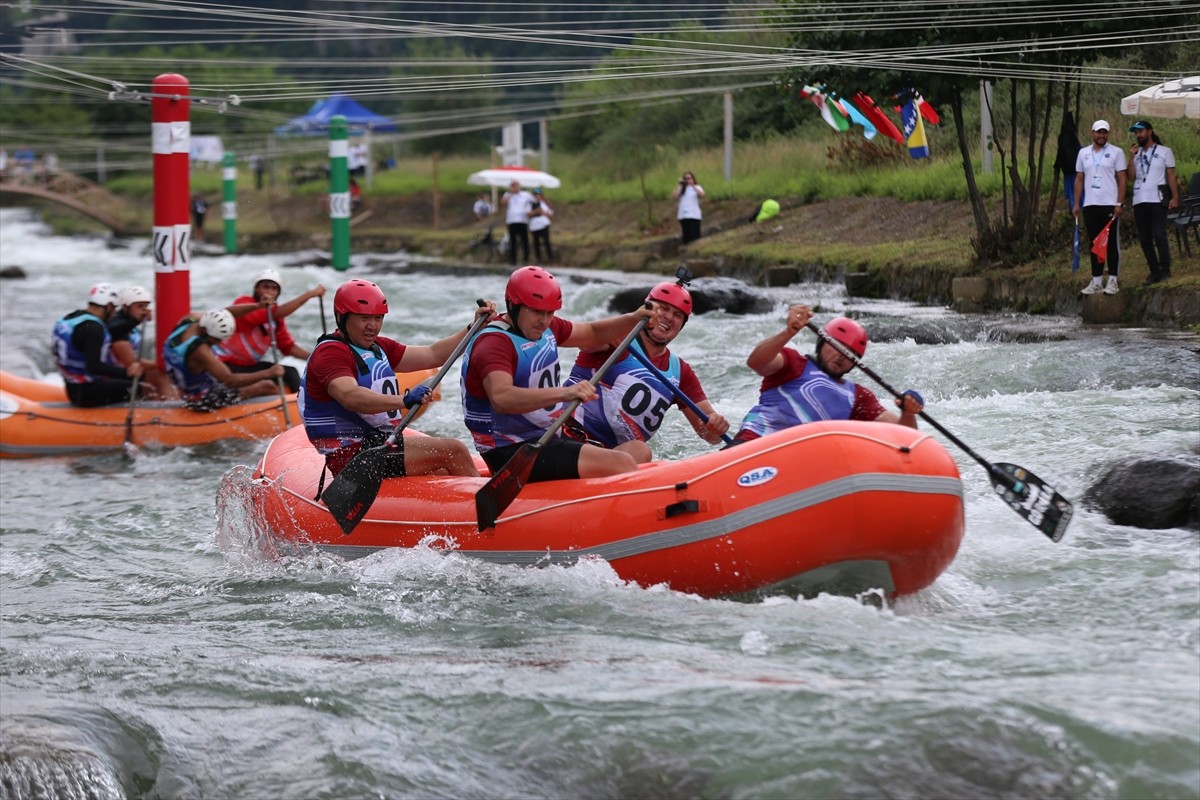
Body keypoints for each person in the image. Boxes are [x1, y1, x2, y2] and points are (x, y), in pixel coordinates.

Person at [460, 265, 658, 483]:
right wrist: (564, 393)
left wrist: (633, 318)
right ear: (514, 305)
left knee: (638, 451)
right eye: (537, 311)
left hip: (549, 437)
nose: (544, 320)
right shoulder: (494, 343)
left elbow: (592, 333)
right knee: (622, 464)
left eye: (549, 312)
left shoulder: (546, 327)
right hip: (512, 450)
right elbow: (502, 398)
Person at [299, 279, 491, 480]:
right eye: (364, 318)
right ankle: (489, 509)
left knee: (443, 472)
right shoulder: (331, 352)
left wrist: (472, 328)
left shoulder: (378, 347)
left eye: (378, 318)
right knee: (455, 450)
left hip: (379, 443)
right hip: (353, 456)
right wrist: (404, 399)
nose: (372, 326)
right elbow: (350, 396)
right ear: (341, 317)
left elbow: (434, 354)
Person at [563, 281, 729, 463]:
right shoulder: (616, 338)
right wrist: (614, 330)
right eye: (663, 308)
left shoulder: (681, 372)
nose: (668, 317)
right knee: (641, 450)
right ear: (647, 309)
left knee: (640, 451)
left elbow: (709, 435)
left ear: (682, 325)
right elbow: (586, 339)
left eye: (677, 315)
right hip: (566, 433)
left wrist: (716, 426)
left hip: (611, 455)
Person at [731, 305, 924, 443]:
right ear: (822, 343)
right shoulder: (792, 362)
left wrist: (907, 413)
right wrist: (788, 333)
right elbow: (756, 362)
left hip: (797, 464)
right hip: (754, 444)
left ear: (855, 362)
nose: (840, 356)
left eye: (849, 354)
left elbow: (903, 436)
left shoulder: (858, 397)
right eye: (836, 347)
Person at [215, 268, 325, 393]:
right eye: (265, 287)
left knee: (290, 371)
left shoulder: (277, 320)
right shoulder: (244, 304)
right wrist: (310, 294)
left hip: (248, 366)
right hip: (225, 366)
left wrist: (314, 357)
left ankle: (299, 405)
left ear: (278, 293)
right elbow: (274, 313)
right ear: (256, 289)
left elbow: (287, 347)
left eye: (274, 288)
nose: (269, 291)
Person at [163, 307, 284, 412]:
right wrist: (268, 373)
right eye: (217, 339)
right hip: (202, 400)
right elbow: (230, 380)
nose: (219, 343)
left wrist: (257, 306)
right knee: (267, 385)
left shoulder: (190, 319)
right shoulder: (200, 351)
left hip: (185, 389)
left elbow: (225, 312)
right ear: (205, 331)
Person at [52, 283, 144, 407]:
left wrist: (134, 321)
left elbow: (112, 331)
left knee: (130, 380)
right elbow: (94, 367)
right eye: (114, 309)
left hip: (72, 387)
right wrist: (126, 372)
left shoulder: (72, 318)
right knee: (143, 388)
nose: (114, 314)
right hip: (87, 392)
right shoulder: (94, 329)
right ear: (109, 306)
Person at [1073, 120, 1127, 295]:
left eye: (1104, 133)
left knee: (1111, 243)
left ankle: (1112, 280)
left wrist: (1119, 203)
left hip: (1109, 204)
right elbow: (1079, 179)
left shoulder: (1116, 152)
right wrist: (1076, 203)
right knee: (1095, 244)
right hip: (1090, 204)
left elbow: (1122, 179)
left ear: (1108, 134)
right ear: (1092, 133)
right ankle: (1096, 280)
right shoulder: (1083, 153)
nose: (1101, 136)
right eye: (1098, 133)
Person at [1126, 120, 1180, 285]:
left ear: (1150, 132)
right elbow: (1131, 177)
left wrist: (1175, 197)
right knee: (1144, 238)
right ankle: (1154, 271)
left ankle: (1165, 270)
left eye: (1141, 131)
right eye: (1136, 133)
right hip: (1139, 199)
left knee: (1159, 234)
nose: (1138, 135)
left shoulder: (1164, 151)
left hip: (1156, 198)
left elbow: (1170, 175)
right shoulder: (1137, 154)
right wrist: (1131, 157)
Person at [107, 286, 179, 400]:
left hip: (125, 372)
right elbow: (131, 363)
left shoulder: (129, 324)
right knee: (158, 375)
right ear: (126, 307)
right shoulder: (119, 328)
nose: (145, 310)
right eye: (140, 306)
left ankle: (172, 401)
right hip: (117, 375)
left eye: (146, 306)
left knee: (164, 374)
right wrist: (161, 365)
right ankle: (170, 408)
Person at [500, 180, 536, 266]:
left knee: (524, 240)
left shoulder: (525, 195)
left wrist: (530, 211)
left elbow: (534, 202)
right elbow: (503, 204)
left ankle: (525, 259)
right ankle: (513, 260)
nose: (515, 188)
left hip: (522, 221)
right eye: (513, 186)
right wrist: (510, 193)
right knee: (512, 241)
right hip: (511, 221)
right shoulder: (507, 195)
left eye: (516, 186)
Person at [672, 171, 705, 245]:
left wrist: (692, 185)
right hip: (683, 215)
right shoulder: (681, 189)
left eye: (689, 178)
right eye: (685, 179)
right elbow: (674, 196)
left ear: (693, 179)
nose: (687, 180)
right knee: (686, 235)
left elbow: (702, 195)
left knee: (694, 235)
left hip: (694, 215)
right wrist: (680, 186)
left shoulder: (697, 187)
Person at [529, 187, 554, 263]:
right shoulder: (530, 204)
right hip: (534, 226)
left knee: (546, 241)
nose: (537, 196)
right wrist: (536, 211)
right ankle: (538, 258)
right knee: (536, 243)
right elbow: (528, 214)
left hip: (544, 224)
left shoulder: (544, 203)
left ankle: (550, 258)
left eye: (539, 194)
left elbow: (550, 213)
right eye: (536, 195)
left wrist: (543, 212)